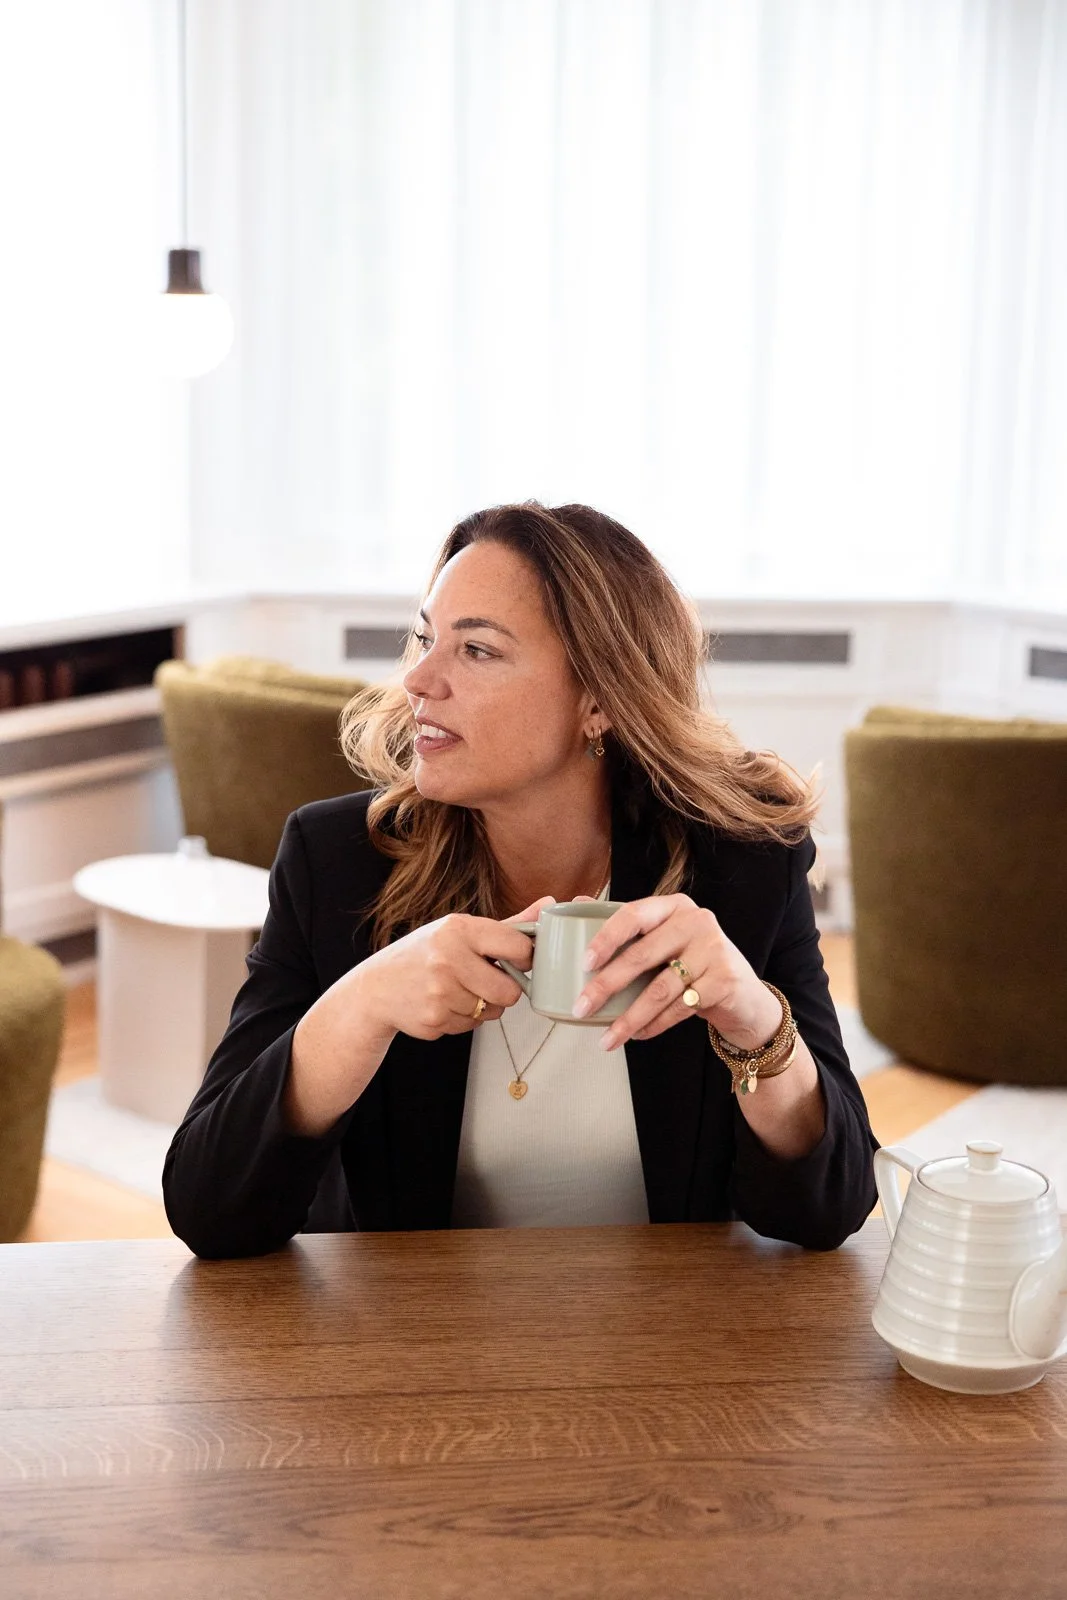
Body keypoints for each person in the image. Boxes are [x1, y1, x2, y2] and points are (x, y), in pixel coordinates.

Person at [163, 501, 879, 1259]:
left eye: (476, 651)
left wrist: (751, 1019)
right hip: (414, 1343)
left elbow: (828, 1210)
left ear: (599, 700)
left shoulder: (743, 863)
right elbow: (210, 1209)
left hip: (672, 1343)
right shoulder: (336, 858)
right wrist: (360, 1005)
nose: (416, 678)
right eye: (424, 637)